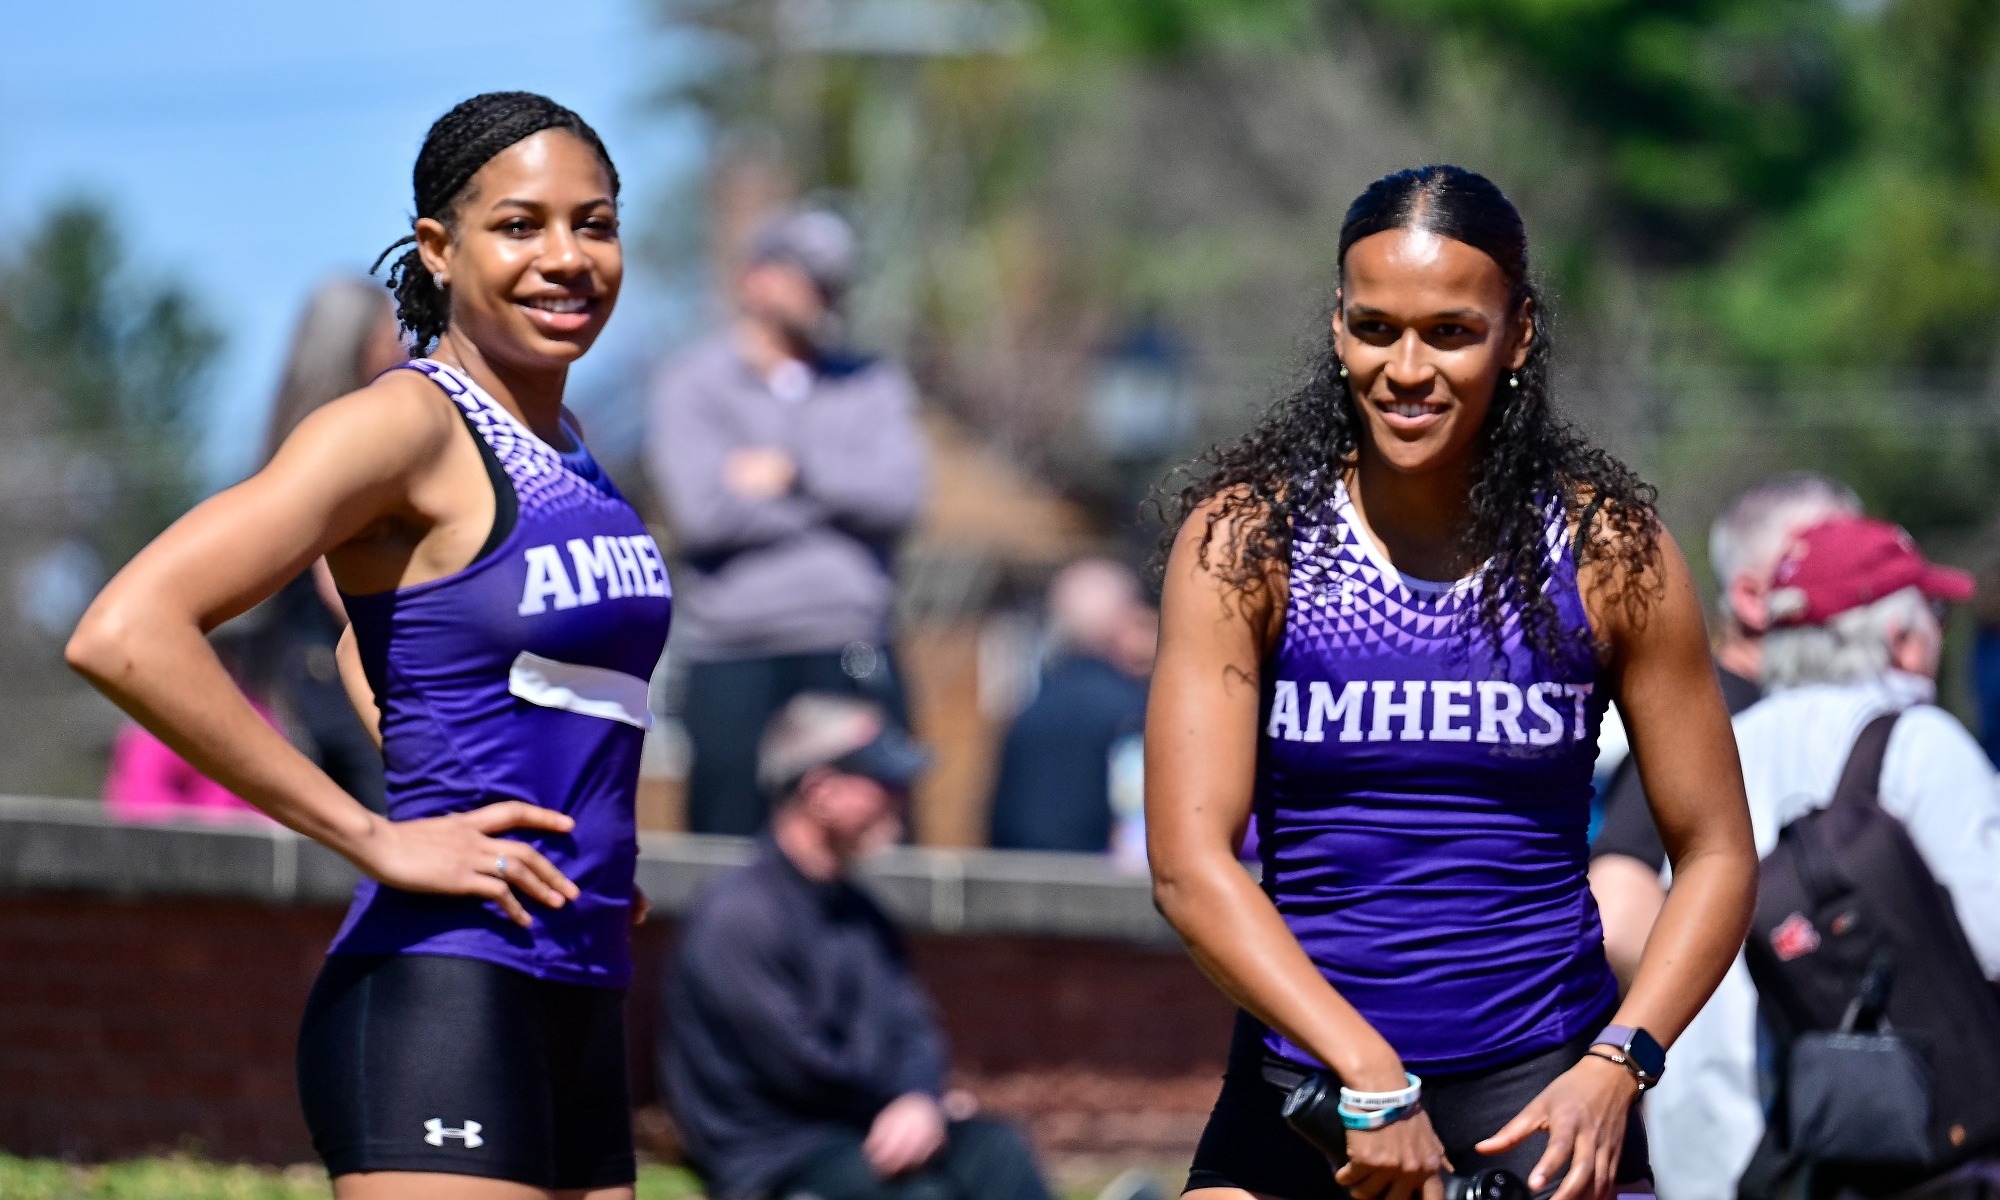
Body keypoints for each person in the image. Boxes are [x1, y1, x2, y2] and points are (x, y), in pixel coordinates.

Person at [66, 92, 671, 1200]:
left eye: (594, 223)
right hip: (441, 989)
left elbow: (384, 649)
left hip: (580, 985)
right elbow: (126, 631)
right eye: (521, 225)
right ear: (439, 249)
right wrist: (376, 835)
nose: (566, 258)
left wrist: (534, 812)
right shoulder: (402, 426)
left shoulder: (576, 449)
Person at [1145, 164, 1759, 1200]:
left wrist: (1620, 1064)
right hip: (1311, 1078)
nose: (1406, 367)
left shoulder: (1609, 551)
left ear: (1517, 333)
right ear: (1336, 326)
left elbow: (1715, 855)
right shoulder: (1248, 541)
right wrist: (1366, 1073)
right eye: (1374, 328)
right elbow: (1186, 865)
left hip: (1540, 1093)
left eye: (1449, 332)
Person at [1644, 516, 2000, 1200]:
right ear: (1900, 637)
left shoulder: (1718, 745)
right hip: (1875, 1156)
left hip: (1706, 1152)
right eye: (1937, 617)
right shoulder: (1919, 741)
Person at [662, 692, 1053, 1200]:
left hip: (865, 1125)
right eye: (882, 780)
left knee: (996, 1151)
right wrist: (903, 1102)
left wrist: (919, 1097)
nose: (901, 796)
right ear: (820, 790)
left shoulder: (862, 913)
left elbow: (914, 1031)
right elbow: (797, 1067)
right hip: (778, 1157)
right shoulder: (739, 917)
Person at [648, 207, 928, 837]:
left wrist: (795, 474)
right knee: (726, 847)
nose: (829, 296)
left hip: (850, 644)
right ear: (756, 279)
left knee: (876, 844)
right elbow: (704, 514)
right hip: (734, 652)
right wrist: (841, 514)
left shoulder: (872, 383)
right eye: (812, 277)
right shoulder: (693, 384)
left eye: (837, 281)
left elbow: (902, 498)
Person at [1589, 473, 1859, 985]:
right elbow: (1616, 913)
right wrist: (1729, 1005)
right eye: (1829, 561)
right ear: (1753, 597)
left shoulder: (1784, 712)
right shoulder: (1713, 713)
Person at [988, 558, 1154, 854]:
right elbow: (1135, 828)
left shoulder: (1030, 709)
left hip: (1021, 881)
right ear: (1122, 623)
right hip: (1099, 888)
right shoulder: (1129, 710)